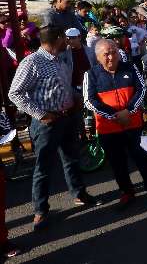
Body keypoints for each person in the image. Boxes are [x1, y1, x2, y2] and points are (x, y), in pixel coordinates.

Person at [8, 26, 100, 230]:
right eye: (64, 37)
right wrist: (41, 114)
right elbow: (15, 93)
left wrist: (75, 100)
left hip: (67, 118)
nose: (67, 40)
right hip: (47, 123)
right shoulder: (32, 62)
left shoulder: (61, 59)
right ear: (58, 39)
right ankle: (40, 211)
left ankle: (79, 193)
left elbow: (64, 87)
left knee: (72, 159)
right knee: (43, 168)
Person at [84, 39, 147, 210]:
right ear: (98, 57)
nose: (111, 57)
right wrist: (114, 116)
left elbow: (141, 89)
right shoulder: (90, 75)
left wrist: (129, 111)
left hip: (133, 125)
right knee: (117, 163)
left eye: (114, 52)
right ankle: (127, 192)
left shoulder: (130, 67)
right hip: (108, 128)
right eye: (106, 54)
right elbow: (90, 101)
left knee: (142, 160)